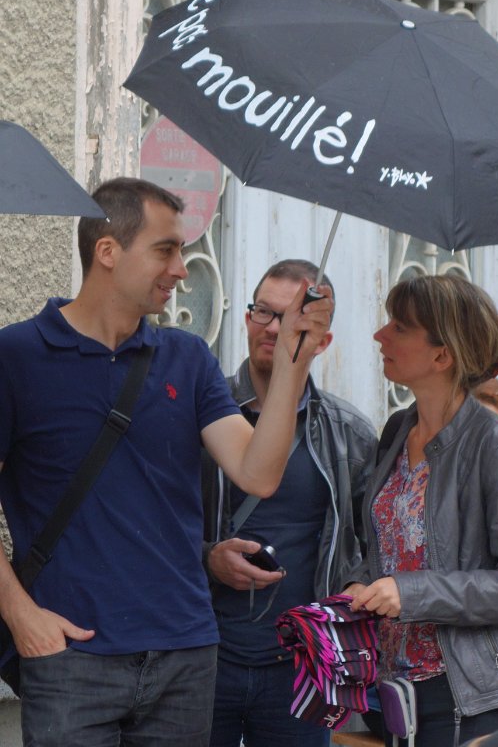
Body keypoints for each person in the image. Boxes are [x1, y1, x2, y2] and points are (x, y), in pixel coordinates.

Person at [0, 178, 333, 747]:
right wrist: (20, 615)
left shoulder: (188, 357)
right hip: (71, 656)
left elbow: (257, 473)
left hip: (185, 654)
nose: (181, 269)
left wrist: (294, 364)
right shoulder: (17, 355)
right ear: (108, 251)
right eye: (166, 249)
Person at [346, 274, 498, 747]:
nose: (379, 335)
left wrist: (410, 592)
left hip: (474, 701)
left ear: (442, 356)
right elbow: (390, 545)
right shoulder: (396, 430)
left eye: (399, 327)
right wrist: (360, 584)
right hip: (395, 692)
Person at [202, 258, 377, 747]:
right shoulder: (200, 416)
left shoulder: (350, 434)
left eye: (292, 319)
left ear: (322, 341)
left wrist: (356, 589)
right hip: (202, 658)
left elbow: (371, 544)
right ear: (246, 318)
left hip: (300, 668)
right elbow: (156, 524)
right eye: (264, 312)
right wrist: (207, 558)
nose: (274, 329)